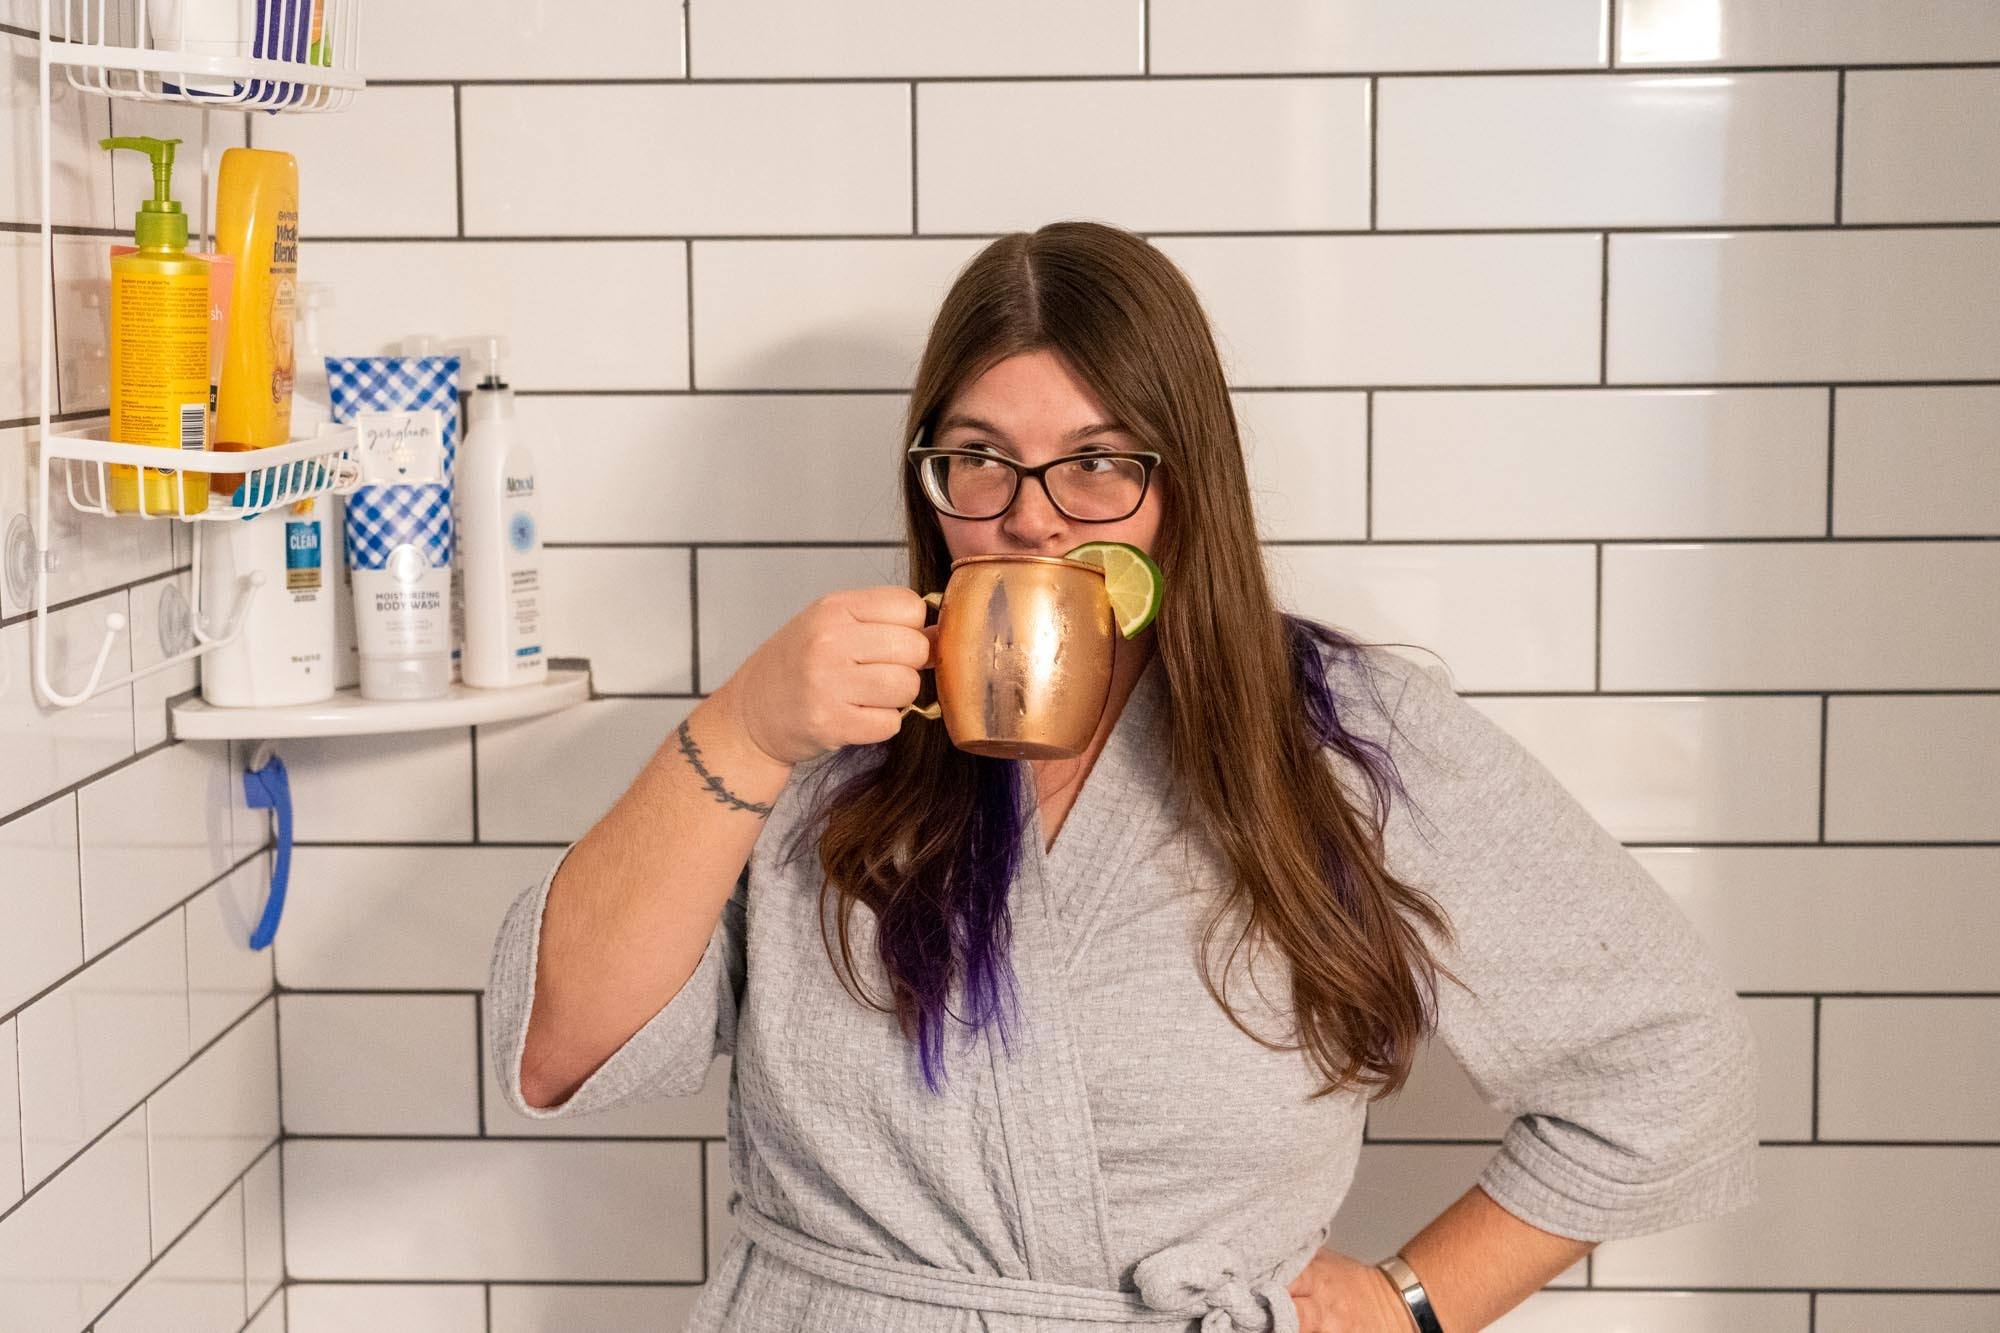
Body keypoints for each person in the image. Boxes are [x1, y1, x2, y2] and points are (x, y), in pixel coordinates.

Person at [485, 221, 1759, 1332]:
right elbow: (555, 1051)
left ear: (1182, 484)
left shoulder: (1341, 742)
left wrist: (1407, 1302)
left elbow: (1666, 1060)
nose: (1034, 517)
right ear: (928, 483)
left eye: (1101, 462)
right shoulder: (816, 730)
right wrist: (748, 732)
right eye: (978, 458)